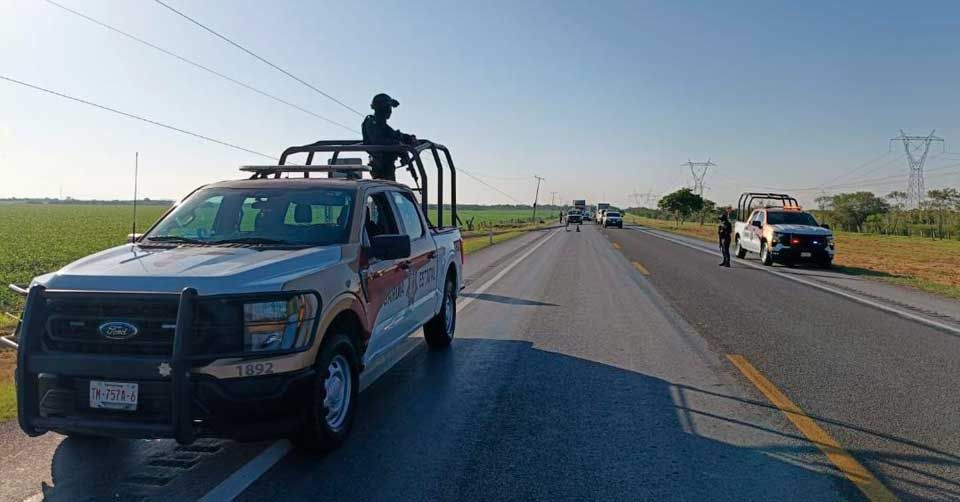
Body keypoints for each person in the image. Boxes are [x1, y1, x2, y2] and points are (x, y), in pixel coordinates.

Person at [362, 93, 417, 181]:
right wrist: (398, 145)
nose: (390, 111)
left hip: (386, 166)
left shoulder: (381, 125)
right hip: (381, 167)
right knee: (385, 189)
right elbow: (378, 141)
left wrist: (408, 138)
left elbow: (394, 135)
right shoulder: (372, 123)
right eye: (388, 108)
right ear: (382, 109)